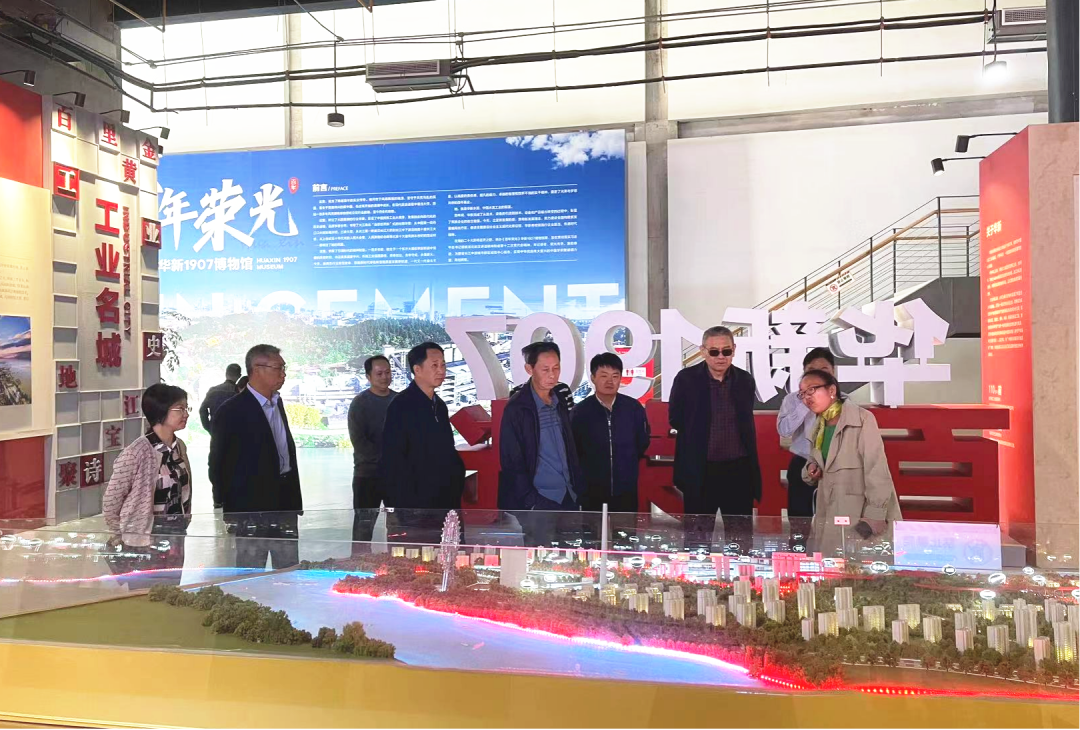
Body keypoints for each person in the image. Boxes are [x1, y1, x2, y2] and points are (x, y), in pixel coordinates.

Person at [668, 326, 762, 554]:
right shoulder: (686, 379)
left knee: (740, 540)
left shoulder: (745, 380)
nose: (721, 357)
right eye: (714, 352)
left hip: (738, 471)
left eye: (726, 351)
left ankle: (742, 574)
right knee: (697, 541)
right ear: (702, 351)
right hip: (700, 471)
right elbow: (675, 418)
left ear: (734, 350)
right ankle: (696, 575)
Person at [209, 344, 302, 569]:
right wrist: (226, 506)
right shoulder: (232, 410)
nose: (283, 374)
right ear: (257, 369)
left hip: (284, 502)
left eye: (284, 368)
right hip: (251, 506)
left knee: (288, 569)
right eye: (278, 368)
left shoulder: (277, 402)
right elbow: (218, 463)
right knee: (251, 570)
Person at [798, 369, 902, 556]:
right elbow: (814, 463)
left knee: (858, 565)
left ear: (831, 390)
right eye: (802, 393)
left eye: (811, 390)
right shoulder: (818, 426)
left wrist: (875, 515)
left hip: (858, 514)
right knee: (829, 563)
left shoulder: (862, 419)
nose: (807, 397)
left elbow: (876, 468)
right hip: (828, 511)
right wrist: (811, 469)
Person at [499, 342, 583, 547]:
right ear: (529, 369)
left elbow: (569, 448)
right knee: (540, 559)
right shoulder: (517, 409)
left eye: (556, 368)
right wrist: (532, 502)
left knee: (573, 557)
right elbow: (512, 461)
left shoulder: (559, 399)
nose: (552, 375)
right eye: (545, 369)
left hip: (568, 496)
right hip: (538, 502)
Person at [102, 383, 192, 574]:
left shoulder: (179, 447)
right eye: (180, 409)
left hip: (176, 534)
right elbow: (111, 502)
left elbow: (184, 491)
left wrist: (184, 520)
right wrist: (122, 534)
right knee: (146, 587)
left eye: (186, 408)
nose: (186, 414)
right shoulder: (137, 452)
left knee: (170, 587)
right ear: (160, 412)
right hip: (144, 540)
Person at [380, 342, 465, 543]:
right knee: (418, 555)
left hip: (445, 499)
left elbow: (447, 449)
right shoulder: (401, 406)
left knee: (450, 552)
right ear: (417, 370)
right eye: (434, 365)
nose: (441, 370)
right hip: (415, 506)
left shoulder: (439, 405)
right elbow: (392, 459)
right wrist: (400, 507)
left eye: (443, 365)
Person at [571, 352, 651, 514]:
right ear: (593, 378)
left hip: (626, 489)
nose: (610, 381)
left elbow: (642, 442)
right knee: (592, 529)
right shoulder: (580, 412)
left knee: (625, 529)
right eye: (603, 376)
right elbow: (574, 449)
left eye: (615, 376)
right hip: (591, 491)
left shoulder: (633, 408)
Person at [777, 347, 836, 548]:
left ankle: (831, 557)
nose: (818, 375)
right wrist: (805, 403)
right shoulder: (792, 399)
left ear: (833, 372)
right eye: (812, 370)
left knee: (833, 518)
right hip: (802, 461)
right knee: (799, 521)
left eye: (824, 370)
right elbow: (784, 430)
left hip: (834, 464)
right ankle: (797, 556)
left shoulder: (844, 400)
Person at [347, 355, 397, 548]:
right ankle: (359, 562)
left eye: (387, 372)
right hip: (367, 475)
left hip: (396, 477)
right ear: (368, 376)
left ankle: (398, 563)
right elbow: (359, 442)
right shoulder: (359, 403)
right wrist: (387, 460)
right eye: (379, 373)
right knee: (364, 526)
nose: (384, 377)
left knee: (397, 526)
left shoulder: (399, 401)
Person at [199, 363, 241, 432]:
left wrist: (209, 428)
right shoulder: (240, 393)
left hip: (216, 431)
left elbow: (202, 410)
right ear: (239, 376)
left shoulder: (213, 390)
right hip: (234, 433)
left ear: (226, 373)